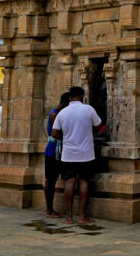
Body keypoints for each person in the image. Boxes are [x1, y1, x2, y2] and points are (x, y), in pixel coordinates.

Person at [51, 86, 104, 225]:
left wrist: (68, 136)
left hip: (68, 154)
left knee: (69, 182)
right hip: (86, 153)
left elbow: (54, 134)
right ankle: (82, 216)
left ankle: (69, 217)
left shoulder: (62, 113)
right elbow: (100, 126)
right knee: (84, 182)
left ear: (69, 97)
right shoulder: (88, 109)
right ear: (82, 96)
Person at [44, 92, 71, 218]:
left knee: (52, 179)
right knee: (51, 179)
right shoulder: (54, 115)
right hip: (53, 150)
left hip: (58, 150)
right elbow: (56, 133)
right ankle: (49, 210)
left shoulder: (58, 114)